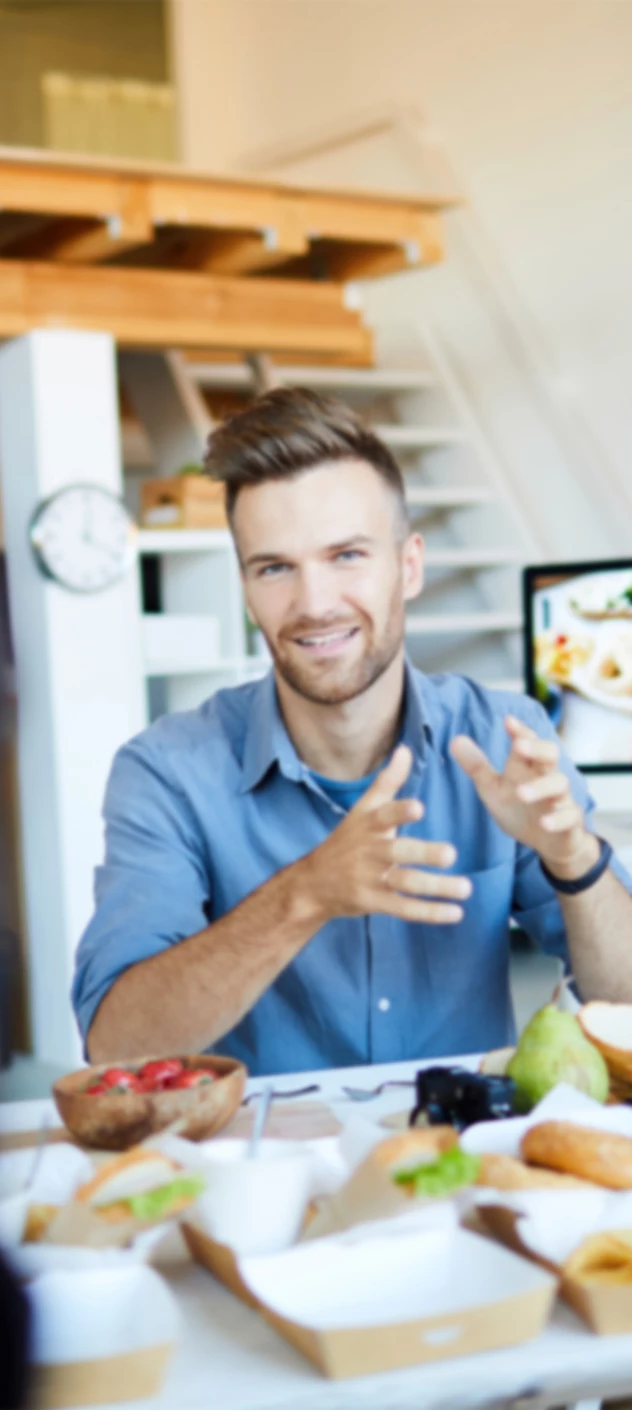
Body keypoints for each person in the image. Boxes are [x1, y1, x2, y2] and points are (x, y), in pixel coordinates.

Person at [72, 388, 632, 1074]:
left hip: (457, 1159)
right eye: (275, 567)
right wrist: (305, 894)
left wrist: (575, 860)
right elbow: (115, 1047)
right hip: (257, 1164)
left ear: (410, 566)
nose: (313, 605)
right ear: (246, 589)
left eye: (346, 556)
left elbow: (627, 1001)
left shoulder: (503, 738)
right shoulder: (165, 771)